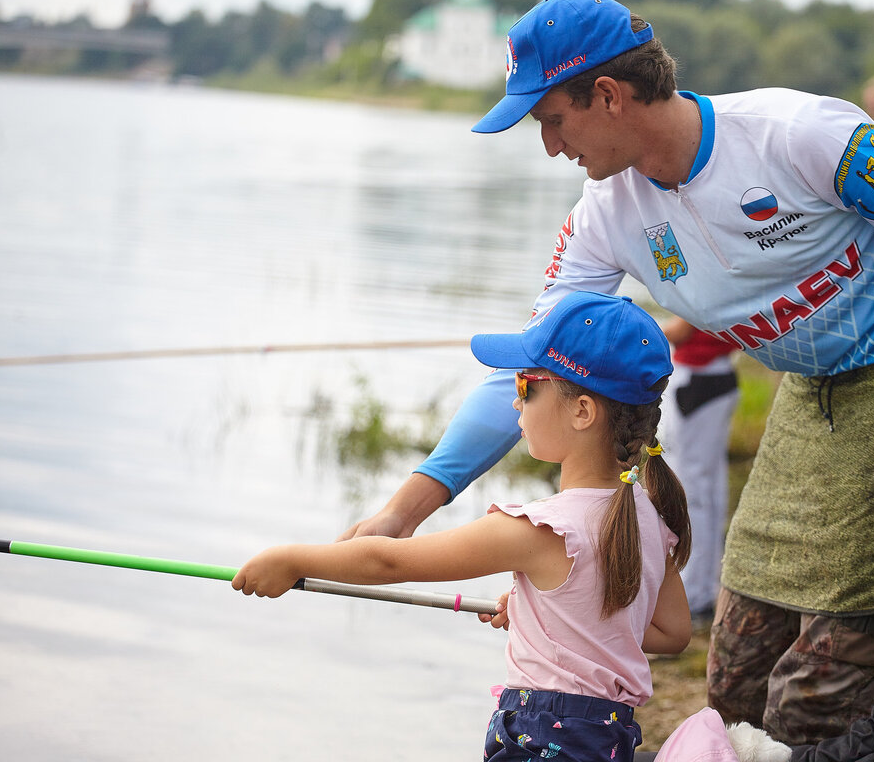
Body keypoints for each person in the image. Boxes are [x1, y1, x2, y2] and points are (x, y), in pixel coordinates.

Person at [340, 0, 874, 744]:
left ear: (610, 96)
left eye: (552, 120)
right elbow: (527, 371)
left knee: (823, 688)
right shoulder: (604, 216)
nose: (551, 146)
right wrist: (403, 513)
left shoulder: (804, 136)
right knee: (740, 673)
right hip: (809, 387)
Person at [235, 291, 693, 762]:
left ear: (582, 411)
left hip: (541, 741)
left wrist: (288, 559)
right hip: (607, 739)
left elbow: (388, 560)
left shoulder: (540, 530)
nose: (515, 404)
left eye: (524, 386)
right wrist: (559, 622)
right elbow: (673, 632)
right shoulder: (647, 516)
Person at [660, 315, 739, 625]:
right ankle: (704, 589)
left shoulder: (701, 275)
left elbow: (679, 330)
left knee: (690, 493)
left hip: (698, 378)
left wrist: (641, 326)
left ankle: (694, 596)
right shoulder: (728, 270)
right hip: (718, 376)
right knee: (710, 488)